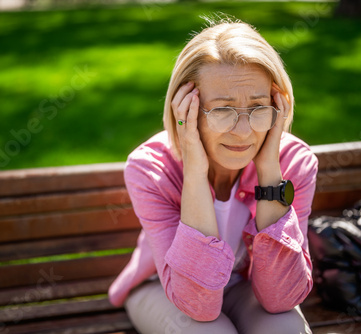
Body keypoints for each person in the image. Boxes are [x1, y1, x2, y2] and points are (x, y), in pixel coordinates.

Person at [108, 18, 317, 334]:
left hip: (244, 286)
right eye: (222, 110)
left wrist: (270, 172)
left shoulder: (294, 162)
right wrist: (194, 170)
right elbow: (198, 306)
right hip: (164, 289)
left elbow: (281, 298)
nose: (244, 131)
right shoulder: (150, 169)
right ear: (186, 109)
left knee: (286, 328)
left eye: (259, 107)